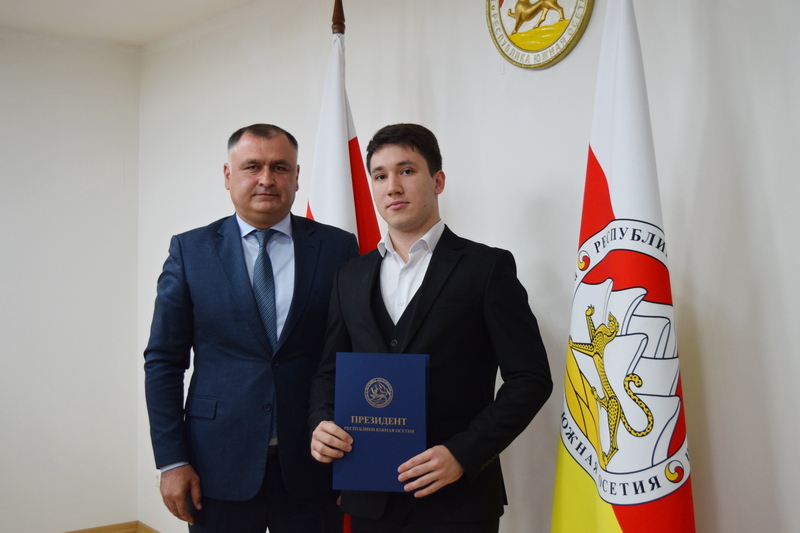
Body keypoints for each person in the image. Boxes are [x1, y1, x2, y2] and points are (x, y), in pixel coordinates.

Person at [309, 123, 552, 533]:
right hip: (369, 499)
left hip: (459, 502)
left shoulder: (487, 268)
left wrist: (463, 454)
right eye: (380, 176)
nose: (392, 187)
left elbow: (530, 378)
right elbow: (328, 371)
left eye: (407, 171)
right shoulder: (348, 276)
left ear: (437, 181)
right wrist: (320, 422)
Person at [144, 124, 358, 533]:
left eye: (280, 167)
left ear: (297, 176)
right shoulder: (191, 251)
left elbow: (354, 354)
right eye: (252, 166)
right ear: (228, 175)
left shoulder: (338, 248)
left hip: (314, 464)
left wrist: (360, 462)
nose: (266, 179)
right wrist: (172, 460)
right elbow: (164, 361)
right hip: (216, 465)